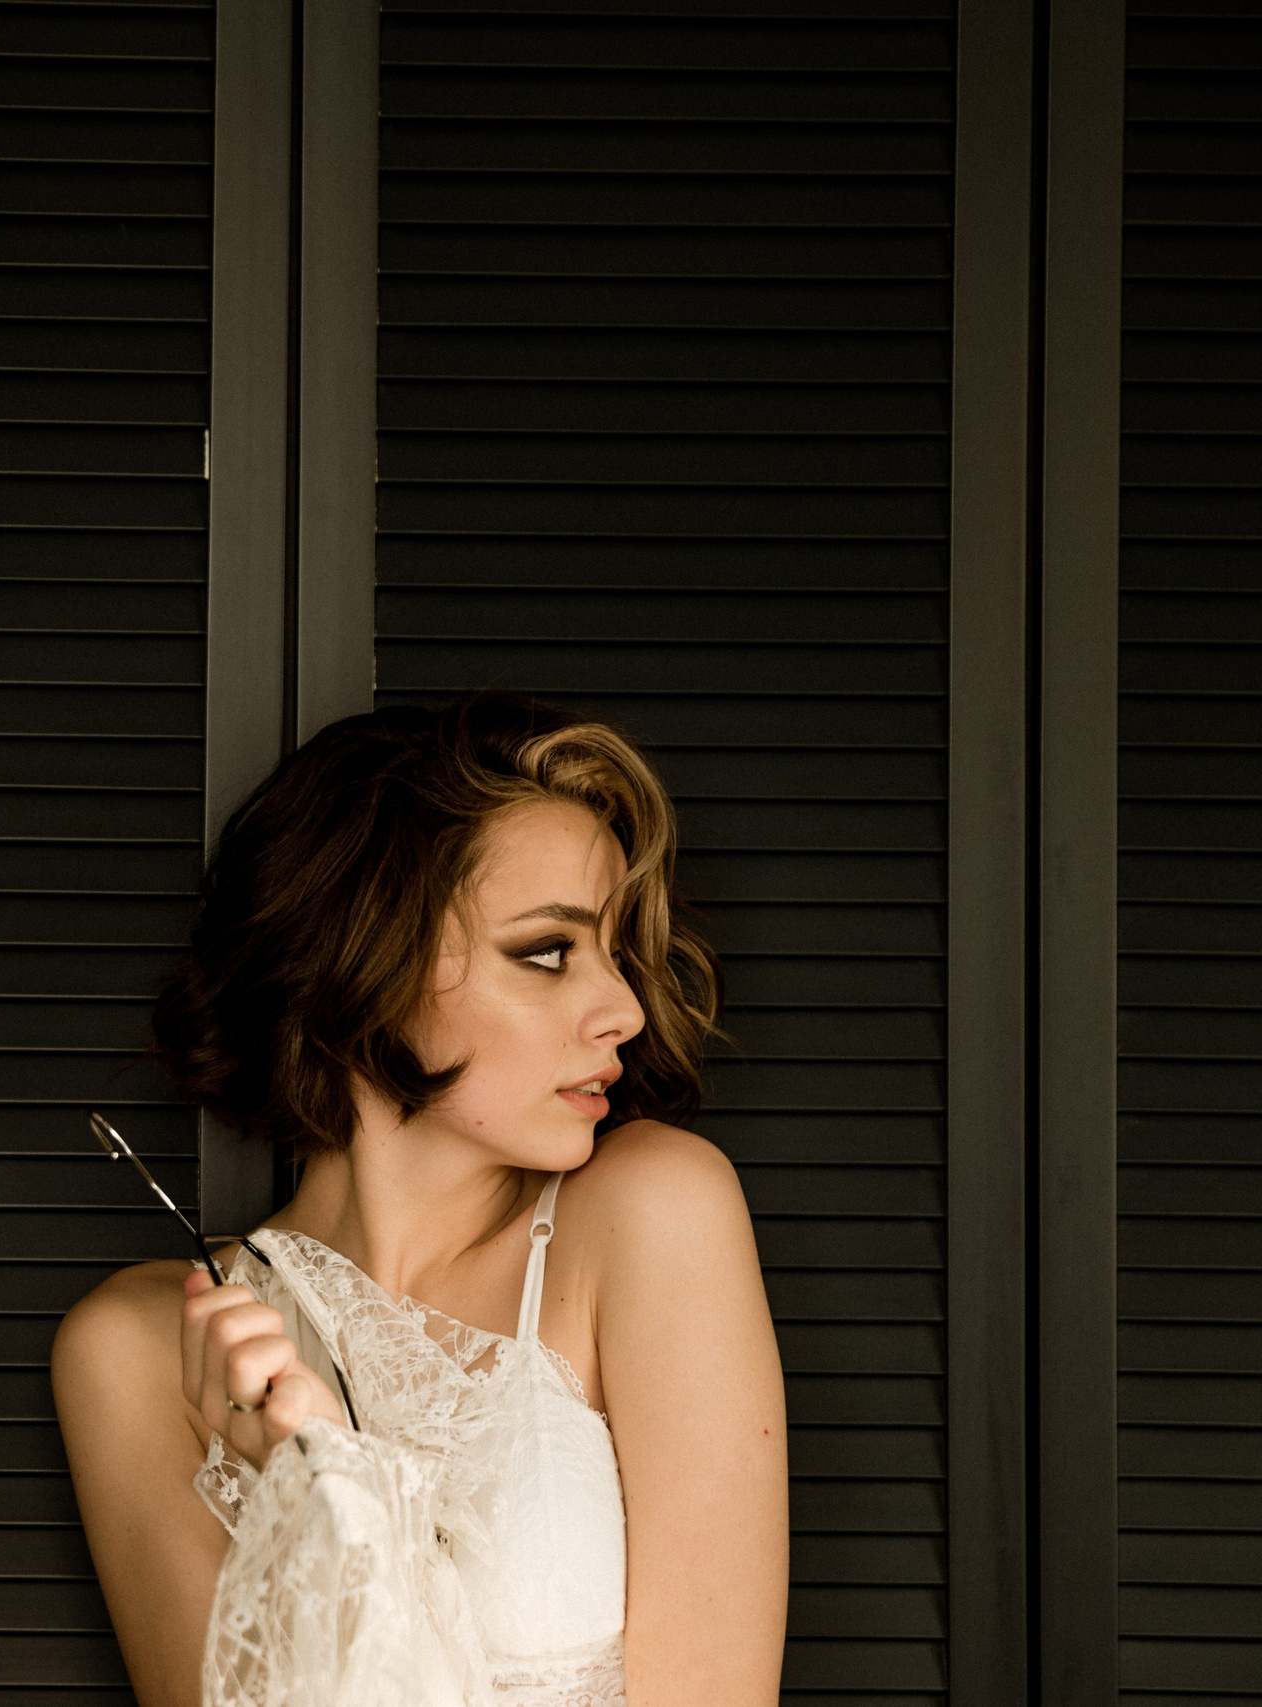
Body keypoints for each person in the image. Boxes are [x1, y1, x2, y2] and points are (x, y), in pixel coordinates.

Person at [51, 693, 790, 1706]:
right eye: (548, 951)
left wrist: (358, 1510)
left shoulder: (650, 1211)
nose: (623, 1007)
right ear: (363, 959)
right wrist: (306, 1507)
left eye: (617, 952)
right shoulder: (143, 1350)